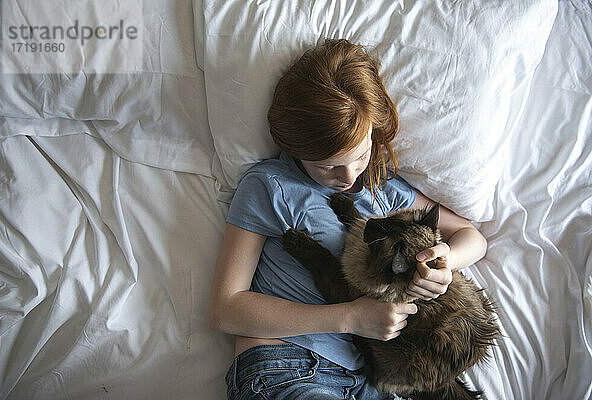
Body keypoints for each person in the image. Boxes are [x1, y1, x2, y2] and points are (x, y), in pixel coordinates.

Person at [208, 39, 488, 400]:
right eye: (328, 166)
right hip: (288, 366)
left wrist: (442, 263)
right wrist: (352, 318)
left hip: (370, 382)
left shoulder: (381, 187)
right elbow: (225, 309)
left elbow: (471, 237)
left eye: (360, 155)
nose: (348, 176)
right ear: (297, 150)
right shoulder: (270, 186)